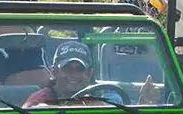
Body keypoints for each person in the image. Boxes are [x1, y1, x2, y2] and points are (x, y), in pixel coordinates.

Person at [23, 41, 160, 107]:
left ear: (89, 74)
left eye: (80, 69)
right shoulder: (41, 98)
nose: (74, 75)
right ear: (54, 72)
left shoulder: (100, 99)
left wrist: (144, 102)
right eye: (67, 69)